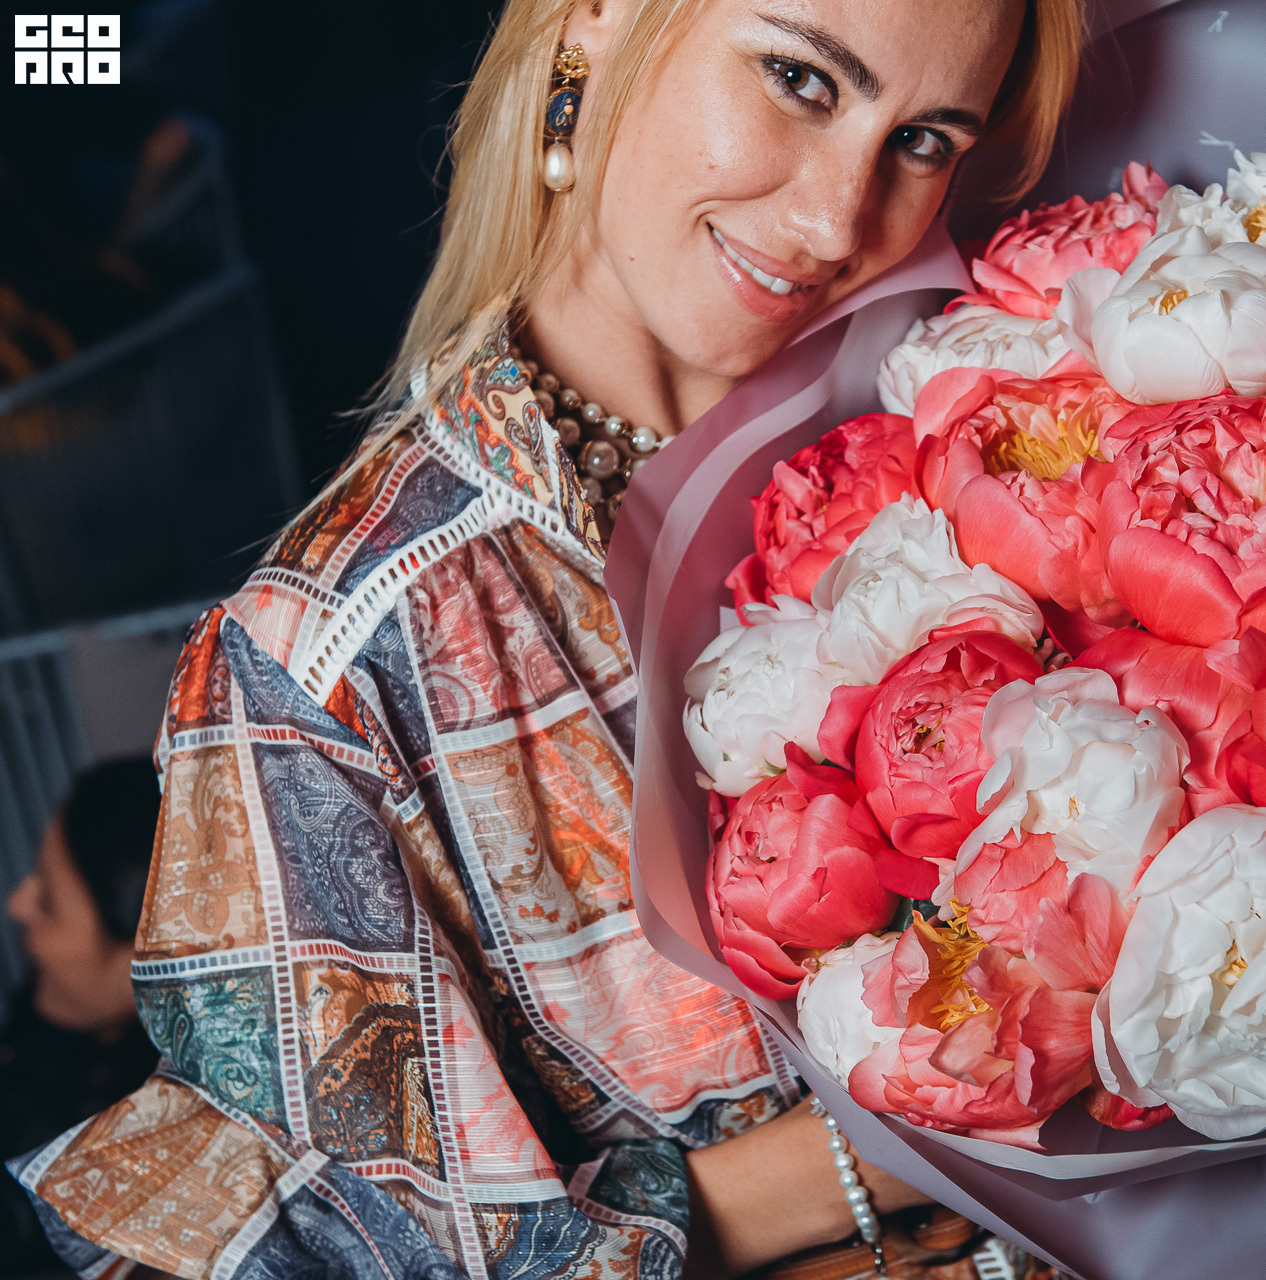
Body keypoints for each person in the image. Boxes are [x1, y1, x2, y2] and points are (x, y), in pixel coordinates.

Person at [8, 1, 1081, 1277]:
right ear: (596, 21)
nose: (839, 219)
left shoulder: (1014, 424)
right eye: (799, 79)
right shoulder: (326, 666)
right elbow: (353, 1251)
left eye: (923, 139)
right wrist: (823, 1174)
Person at [1, 760, 162, 1278]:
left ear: (149, 962)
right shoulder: (49, 1016)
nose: (17, 904)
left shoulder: (138, 1208)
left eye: (48, 902)